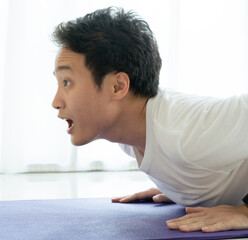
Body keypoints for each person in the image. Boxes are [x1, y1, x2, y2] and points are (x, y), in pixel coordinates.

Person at [51, 7, 248, 233]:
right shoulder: (132, 138)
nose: (56, 101)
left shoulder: (183, 133)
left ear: (118, 86)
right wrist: (183, 189)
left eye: (66, 82)